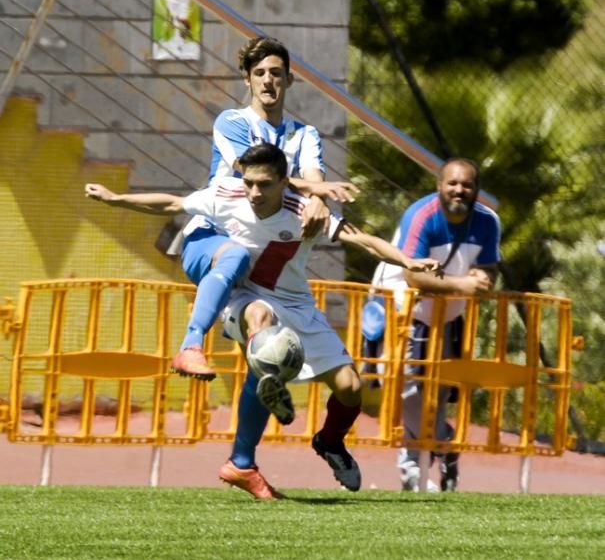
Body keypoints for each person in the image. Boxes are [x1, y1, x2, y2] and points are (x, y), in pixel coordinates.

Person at [85, 143, 441, 499]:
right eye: (249, 182)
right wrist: (115, 198)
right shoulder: (228, 194)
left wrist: (408, 262)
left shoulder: (304, 212)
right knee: (259, 317)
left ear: (285, 182)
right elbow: (172, 203)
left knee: (350, 389)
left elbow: (362, 240)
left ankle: (330, 443)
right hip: (246, 297)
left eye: (265, 184)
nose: (254, 192)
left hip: (297, 303)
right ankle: (272, 377)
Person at [162, 36, 359, 380]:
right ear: (247, 79)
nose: (268, 80)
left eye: (277, 73)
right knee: (234, 255)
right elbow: (257, 174)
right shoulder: (232, 122)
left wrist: (318, 200)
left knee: (263, 359)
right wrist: (316, 190)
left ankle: (259, 414)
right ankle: (190, 346)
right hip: (212, 238)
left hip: (264, 258)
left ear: (289, 80)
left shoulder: (305, 134)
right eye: (260, 72)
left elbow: (314, 175)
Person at [366, 157, 501, 492]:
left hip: (447, 313)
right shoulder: (421, 216)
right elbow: (413, 275)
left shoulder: (488, 222)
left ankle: (419, 465)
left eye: (467, 185)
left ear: (476, 190)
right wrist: (463, 286)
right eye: (452, 183)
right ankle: (438, 448)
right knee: (399, 382)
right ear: (439, 186)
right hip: (403, 308)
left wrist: (484, 278)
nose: (459, 190)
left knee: (437, 388)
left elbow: (490, 268)